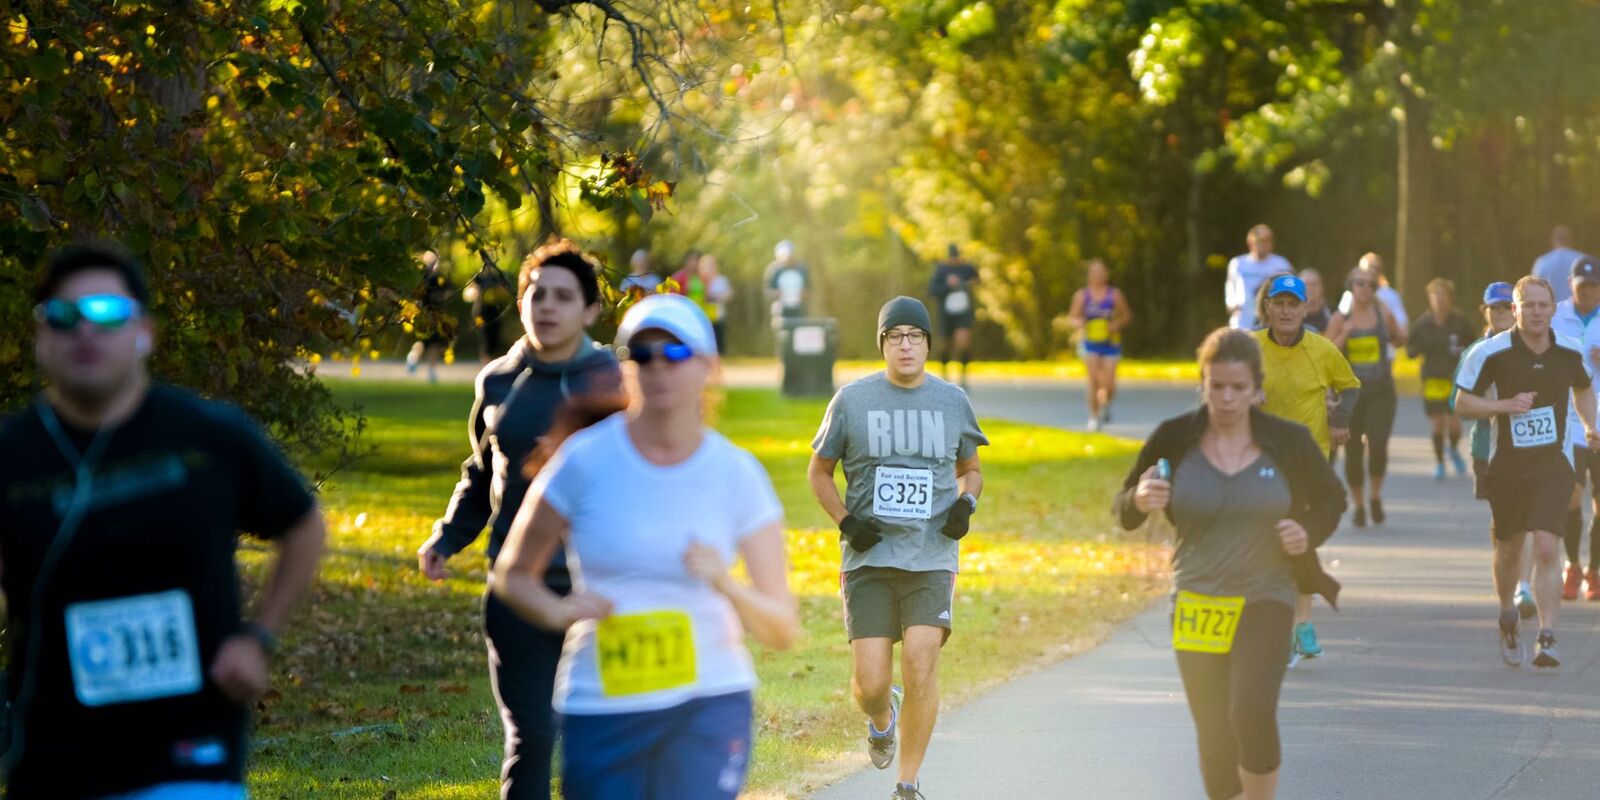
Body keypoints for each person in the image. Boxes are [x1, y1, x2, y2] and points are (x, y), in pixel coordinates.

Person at [0, 244, 327, 798]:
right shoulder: (12, 455)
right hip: (54, 755)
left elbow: (303, 525)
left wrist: (259, 637)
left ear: (144, 331)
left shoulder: (209, 436)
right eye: (63, 317)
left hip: (191, 752)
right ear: (41, 339)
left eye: (107, 314)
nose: (85, 331)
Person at [492, 294, 798, 799]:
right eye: (640, 354)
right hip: (603, 703)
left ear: (707, 367)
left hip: (710, 700)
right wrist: (557, 611)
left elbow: (782, 628)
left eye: (674, 353)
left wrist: (725, 583)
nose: (657, 367)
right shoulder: (584, 460)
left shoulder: (737, 474)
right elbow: (513, 573)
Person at [418, 240, 622, 799]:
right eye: (537, 293)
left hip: (600, 592)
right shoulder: (498, 381)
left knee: (598, 740)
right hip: (515, 587)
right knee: (531, 736)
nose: (546, 306)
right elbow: (482, 473)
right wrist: (448, 536)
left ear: (590, 311)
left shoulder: (615, 382)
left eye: (563, 296)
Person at [1115, 327, 1344, 800]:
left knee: (1251, 709)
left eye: (1238, 387)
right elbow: (1125, 509)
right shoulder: (1175, 438)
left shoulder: (1288, 441)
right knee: (1213, 726)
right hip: (1198, 598)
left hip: (1267, 594)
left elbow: (1331, 499)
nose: (1226, 398)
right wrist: (1139, 498)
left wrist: (1308, 533)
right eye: (1216, 386)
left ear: (1257, 389)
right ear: (1203, 383)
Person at [808, 296, 988, 800]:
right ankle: (882, 714)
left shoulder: (952, 401)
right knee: (868, 684)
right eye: (895, 336)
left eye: (915, 336)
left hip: (931, 555)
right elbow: (818, 473)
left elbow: (970, 470)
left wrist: (965, 504)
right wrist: (846, 522)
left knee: (922, 662)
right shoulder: (852, 401)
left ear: (929, 344)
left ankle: (907, 784)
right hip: (868, 558)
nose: (905, 345)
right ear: (882, 344)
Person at [1454, 277, 1600, 669]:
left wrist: (1590, 425)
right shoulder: (1492, 352)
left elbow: (1583, 388)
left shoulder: (1569, 351)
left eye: (1542, 305)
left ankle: (1548, 637)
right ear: (1514, 310)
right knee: (1509, 549)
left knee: (1548, 545)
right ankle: (1507, 612)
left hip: (1554, 464)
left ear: (1554, 308)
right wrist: (1504, 405)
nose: (1536, 312)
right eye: (1527, 305)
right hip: (1508, 466)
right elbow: (1463, 403)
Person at [1252, 273, 1361, 665]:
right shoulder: (1249, 348)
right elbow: (1213, 381)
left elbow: (1350, 386)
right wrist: (1250, 392)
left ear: (1304, 308)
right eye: (1278, 303)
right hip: (1259, 460)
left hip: (1310, 460)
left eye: (1292, 304)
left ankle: (1303, 624)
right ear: (1267, 307)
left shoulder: (1322, 349)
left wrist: (1340, 420)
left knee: (1300, 539)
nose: (1285, 311)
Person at [1453, 283, 1537, 619]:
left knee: (1529, 520)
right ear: (1484, 311)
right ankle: (1509, 573)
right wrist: (1501, 406)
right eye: (1495, 308)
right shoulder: (1477, 350)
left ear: (1515, 310)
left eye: (1506, 307)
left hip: (1528, 448)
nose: (1501, 313)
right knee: (1504, 526)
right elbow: (1457, 403)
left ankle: (1524, 587)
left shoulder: (1535, 348)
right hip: (1488, 448)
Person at [1326, 265, 1406, 527]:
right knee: (1352, 452)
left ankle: (1375, 496)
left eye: (1370, 284)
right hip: (1351, 394)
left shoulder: (1383, 312)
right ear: (1351, 286)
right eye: (1360, 283)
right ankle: (1358, 504)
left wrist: (1398, 336)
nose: (1365, 288)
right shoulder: (1341, 317)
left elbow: (1399, 339)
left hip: (1381, 390)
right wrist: (1346, 333)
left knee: (1379, 443)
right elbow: (1325, 353)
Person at [1550, 256, 1600, 601]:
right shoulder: (1555, 315)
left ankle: (1594, 570)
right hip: (1570, 422)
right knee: (1571, 497)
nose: (1588, 293)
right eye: (1582, 287)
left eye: (1594, 286)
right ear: (1571, 286)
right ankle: (1572, 564)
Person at [1407, 278, 1479, 480]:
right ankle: (1440, 463)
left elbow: (1474, 344)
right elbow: (1410, 348)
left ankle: (1454, 449)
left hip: (1454, 379)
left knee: (1455, 424)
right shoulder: (1422, 324)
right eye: (1435, 295)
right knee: (1438, 424)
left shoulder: (1460, 321)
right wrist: (1420, 349)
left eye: (1443, 295)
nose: (1439, 300)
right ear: (1429, 298)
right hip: (1432, 379)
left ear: (1450, 298)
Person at [1066, 258, 1133, 432]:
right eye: (1094, 272)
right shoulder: (1082, 295)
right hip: (1090, 344)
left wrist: (1115, 325)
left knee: (1109, 384)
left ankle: (1105, 404)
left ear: (1106, 274)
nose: (1098, 275)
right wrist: (1079, 323)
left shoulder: (1114, 294)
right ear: (1089, 275)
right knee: (1093, 380)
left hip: (1111, 343)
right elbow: (1072, 317)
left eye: (1101, 271)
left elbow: (1126, 315)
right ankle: (1093, 417)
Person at [927, 244, 981, 387]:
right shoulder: (942, 270)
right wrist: (948, 285)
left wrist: (966, 284)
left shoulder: (967, 268)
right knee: (946, 344)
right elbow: (932, 290)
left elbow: (977, 281)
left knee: (963, 342)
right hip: (946, 313)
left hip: (963, 312)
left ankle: (963, 376)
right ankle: (944, 374)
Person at [1225, 224, 1293, 330]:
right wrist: (1232, 306)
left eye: (1269, 240)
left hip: (1270, 318)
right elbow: (1230, 286)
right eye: (1262, 239)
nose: (1265, 243)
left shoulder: (1281, 264)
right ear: (1250, 241)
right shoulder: (1238, 263)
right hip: (1243, 320)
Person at [407, 250, 456, 382]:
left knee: (434, 344)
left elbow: (448, 292)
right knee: (423, 343)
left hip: (437, 316)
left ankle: (431, 370)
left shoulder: (441, 279)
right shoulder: (423, 278)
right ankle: (413, 357)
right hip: (424, 315)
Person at [1336, 253, 1409, 338]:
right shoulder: (1347, 297)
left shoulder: (1391, 296)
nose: (1372, 271)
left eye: (1376, 268)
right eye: (1360, 282)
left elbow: (1403, 333)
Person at [465, 265, 516, 363]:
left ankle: (491, 360)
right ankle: (485, 362)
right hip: (480, 312)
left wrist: (498, 291)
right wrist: (476, 291)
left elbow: (505, 292)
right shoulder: (477, 277)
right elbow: (467, 294)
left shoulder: (496, 277)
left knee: (495, 336)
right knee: (485, 337)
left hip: (494, 312)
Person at [1531, 224, 1592, 305]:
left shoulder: (1542, 262)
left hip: (1551, 312)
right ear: (1571, 240)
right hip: (1579, 311)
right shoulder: (1583, 260)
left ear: (1552, 240)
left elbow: (1535, 290)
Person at [763, 240, 810, 323]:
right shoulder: (773, 270)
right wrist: (776, 293)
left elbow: (808, 287)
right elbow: (767, 290)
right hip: (780, 309)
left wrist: (804, 292)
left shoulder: (802, 269)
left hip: (799, 308)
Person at [1299, 268, 1332, 333]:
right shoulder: (1290, 313)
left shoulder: (1333, 313)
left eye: (1314, 284)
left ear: (1322, 288)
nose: (1310, 288)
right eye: (1306, 284)